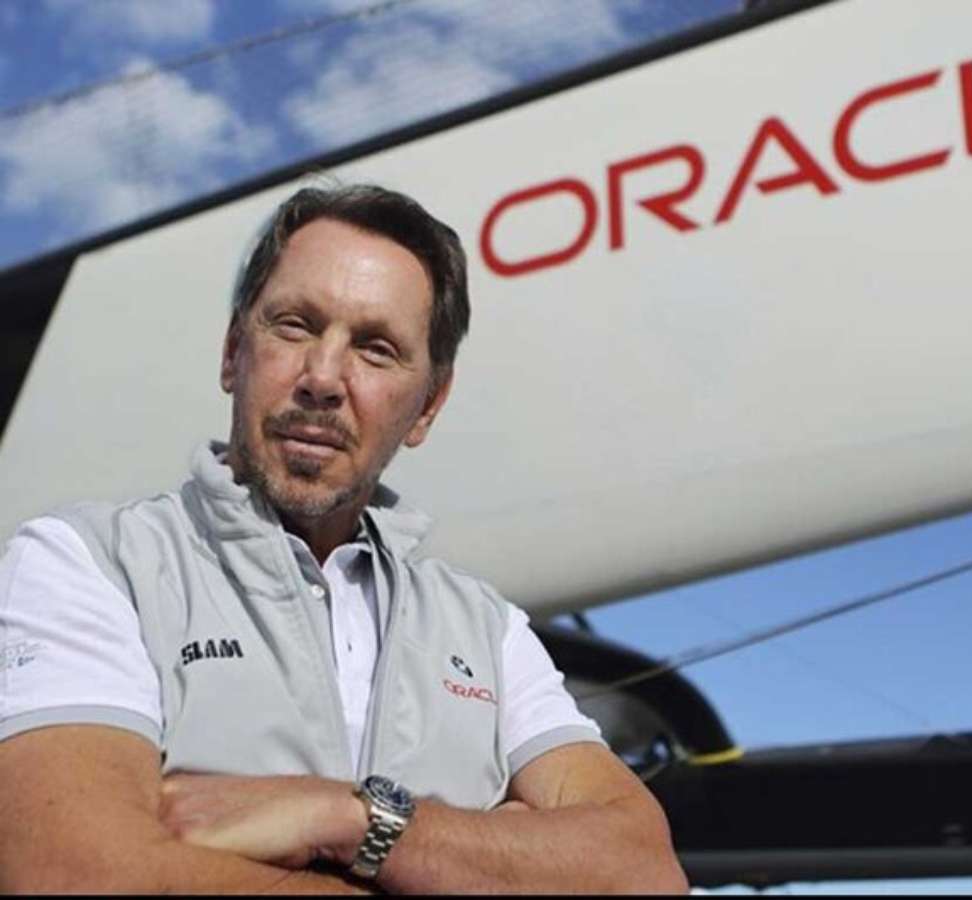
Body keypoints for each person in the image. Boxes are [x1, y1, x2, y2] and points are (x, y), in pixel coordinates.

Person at [0, 184, 688, 894]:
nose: (323, 378)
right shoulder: (90, 563)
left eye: (376, 348)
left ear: (428, 406)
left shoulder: (487, 629)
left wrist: (345, 817)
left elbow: (641, 874)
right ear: (234, 353)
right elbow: (76, 876)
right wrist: (482, 860)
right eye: (295, 326)